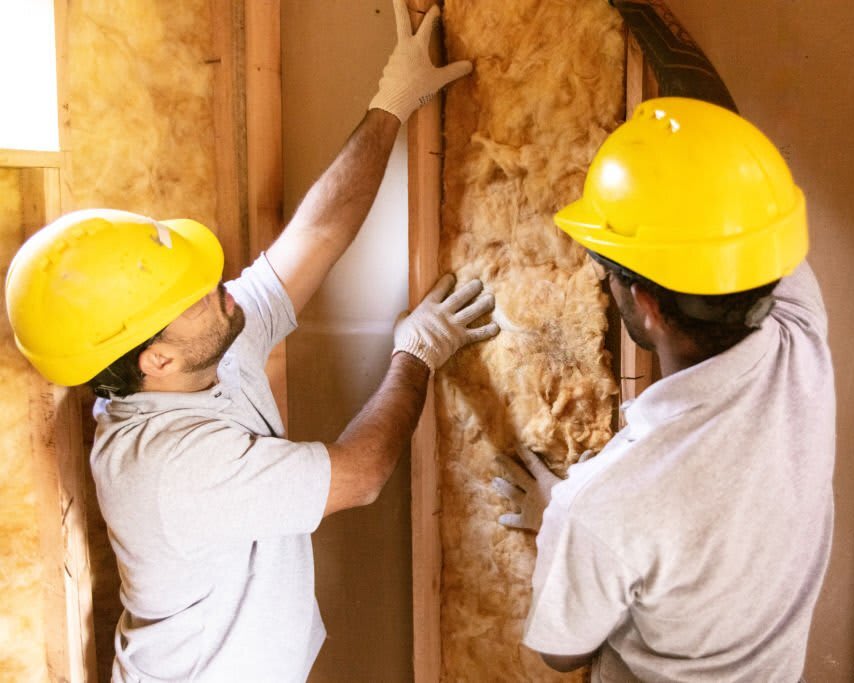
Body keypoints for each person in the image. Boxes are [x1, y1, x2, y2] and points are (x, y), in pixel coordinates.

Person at [5, 2, 498, 680]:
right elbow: (360, 475)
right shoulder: (170, 467)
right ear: (157, 359)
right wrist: (415, 354)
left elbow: (316, 234)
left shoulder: (200, 348)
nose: (220, 288)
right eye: (194, 295)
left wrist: (391, 102)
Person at [494, 97, 835, 682]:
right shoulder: (801, 339)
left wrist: (568, 526)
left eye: (608, 274)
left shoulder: (601, 505)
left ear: (646, 305)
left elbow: (564, 654)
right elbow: (743, 225)